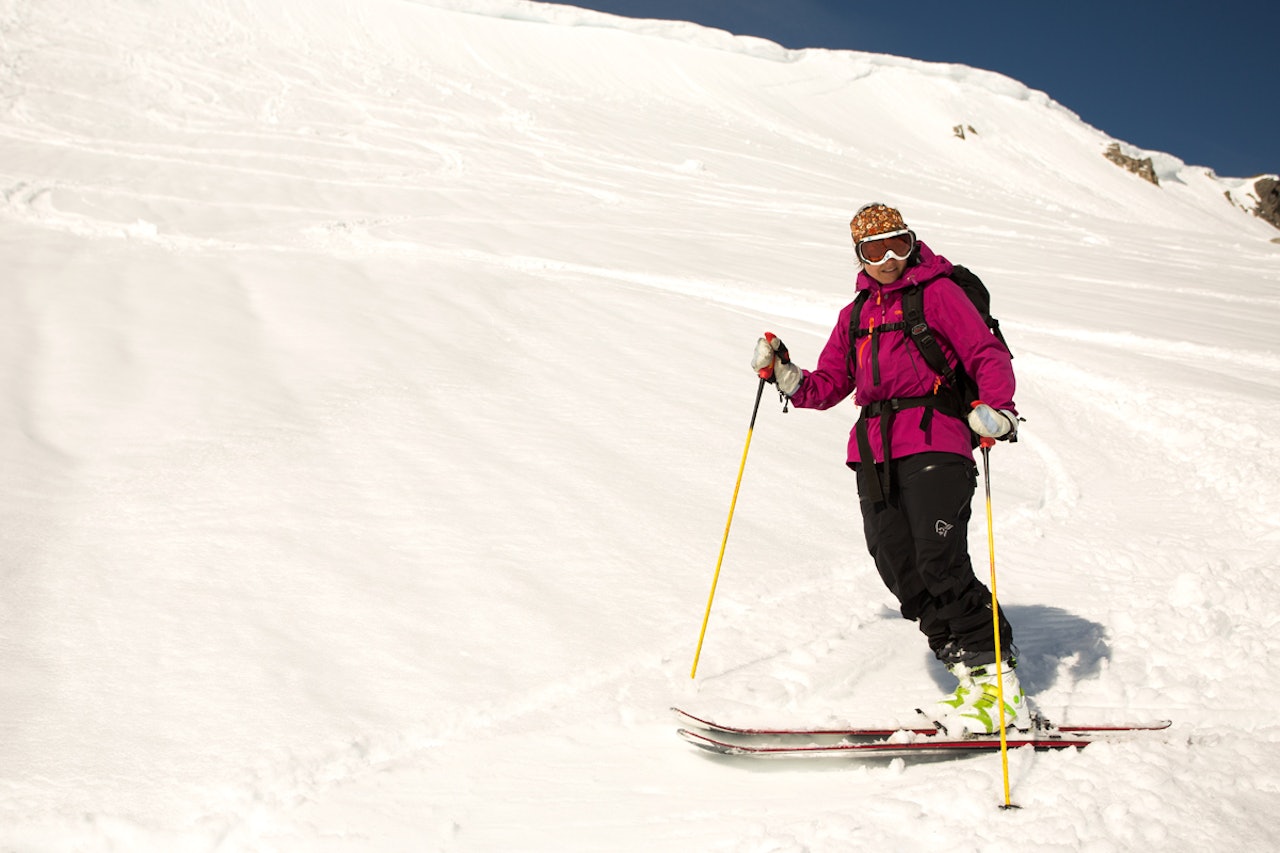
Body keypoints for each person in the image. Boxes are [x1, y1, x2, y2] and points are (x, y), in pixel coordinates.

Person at [750, 202, 1028, 734]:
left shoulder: (939, 292)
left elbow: (985, 353)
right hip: (874, 453)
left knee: (939, 558)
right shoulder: (853, 315)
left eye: (897, 245)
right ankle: (967, 675)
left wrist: (998, 410)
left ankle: (997, 687)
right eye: (874, 250)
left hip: (936, 442)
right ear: (859, 255)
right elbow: (829, 385)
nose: (887, 259)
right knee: (899, 565)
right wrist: (784, 374)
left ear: (911, 241)